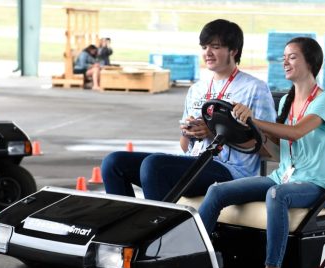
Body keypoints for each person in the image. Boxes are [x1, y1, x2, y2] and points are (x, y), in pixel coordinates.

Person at [199, 37, 325, 268]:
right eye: (284, 57)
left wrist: (255, 119)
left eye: (292, 56)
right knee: (216, 191)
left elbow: (296, 133)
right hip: (283, 176)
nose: (285, 61)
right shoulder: (286, 101)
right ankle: (195, 262)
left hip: (316, 183)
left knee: (277, 195)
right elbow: (275, 144)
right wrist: (239, 125)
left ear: (310, 61)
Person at [101, 19, 276, 201]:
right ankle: (130, 225)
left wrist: (214, 131)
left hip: (231, 170)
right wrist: (188, 132)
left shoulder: (254, 88)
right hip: (195, 162)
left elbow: (268, 146)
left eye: (215, 47)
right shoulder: (197, 89)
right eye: (204, 47)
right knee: (113, 163)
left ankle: (161, 226)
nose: (207, 52)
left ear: (233, 50)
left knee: (154, 165)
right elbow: (185, 147)